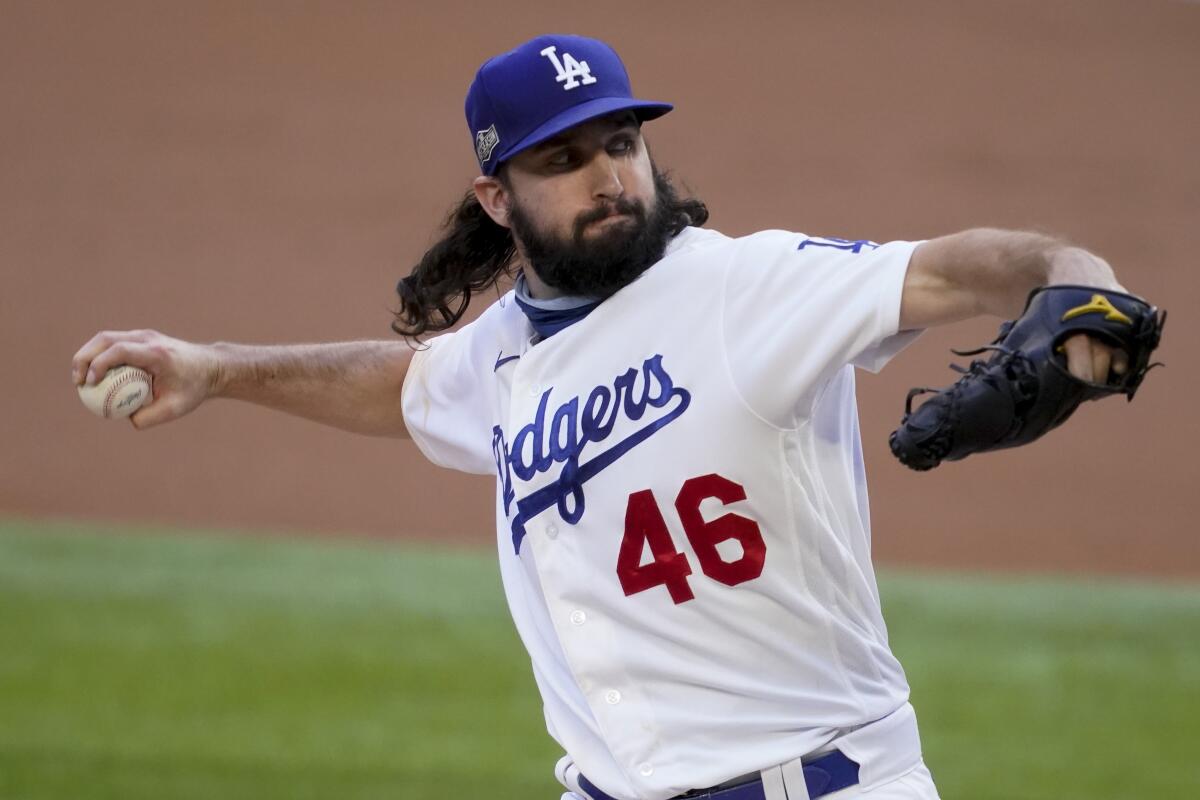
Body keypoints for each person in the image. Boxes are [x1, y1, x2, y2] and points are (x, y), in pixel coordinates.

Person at [73, 34, 1131, 800]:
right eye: (563, 160)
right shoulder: (500, 356)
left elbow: (972, 265)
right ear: (497, 198)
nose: (608, 176)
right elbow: (397, 385)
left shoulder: (748, 287)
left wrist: (1078, 292)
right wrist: (217, 367)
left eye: (620, 142)